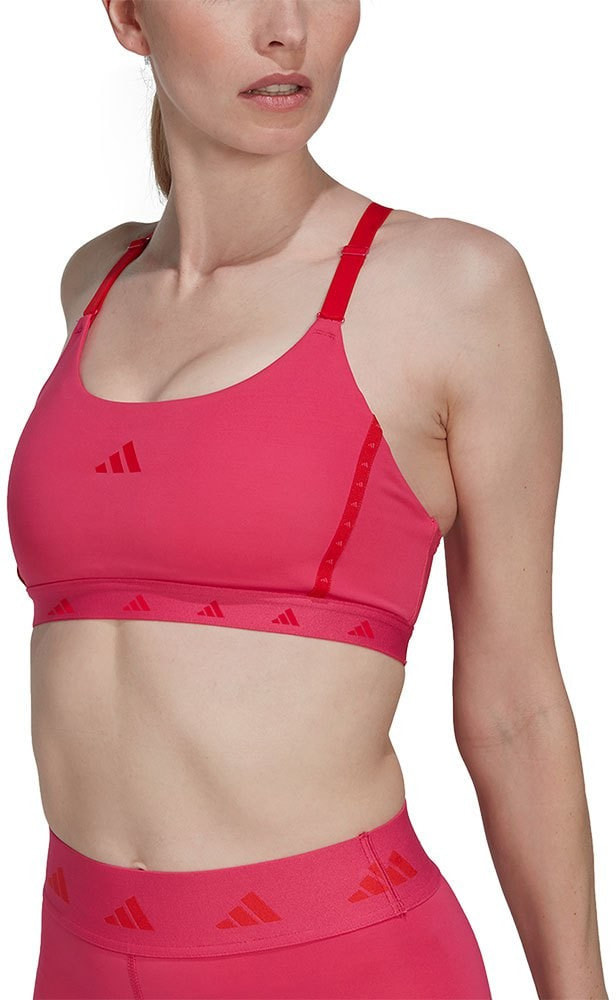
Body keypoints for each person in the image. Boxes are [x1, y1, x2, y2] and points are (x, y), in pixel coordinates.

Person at [6, 1, 607, 997]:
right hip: (76, 961)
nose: (287, 27)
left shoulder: (452, 290)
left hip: (344, 962)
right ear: (129, 16)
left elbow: (514, 707)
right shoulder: (94, 285)